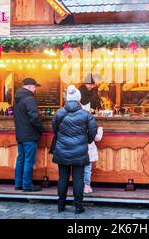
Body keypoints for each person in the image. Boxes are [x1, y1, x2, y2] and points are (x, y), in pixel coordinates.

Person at [52, 85, 98, 214]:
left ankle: (61, 205)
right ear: (78, 99)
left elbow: (54, 129)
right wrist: (88, 140)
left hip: (62, 150)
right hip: (79, 150)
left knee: (62, 178)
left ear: (67, 99)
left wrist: (61, 138)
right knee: (78, 179)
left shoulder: (59, 112)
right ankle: (78, 206)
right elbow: (93, 129)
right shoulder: (85, 114)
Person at [13, 78, 43, 192]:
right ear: (30, 86)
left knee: (21, 158)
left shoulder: (17, 97)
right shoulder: (29, 98)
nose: (35, 89)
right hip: (29, 134)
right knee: (29, 160)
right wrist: (40, 129)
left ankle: (18, 183)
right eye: (35, 87)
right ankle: (27, 185)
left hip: (20, 133)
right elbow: (34, 117)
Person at [84, 126, 104, 194]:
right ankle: (86, 186)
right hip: (88, 153)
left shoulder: (76, 125)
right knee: (87, 170)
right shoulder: (90, 127)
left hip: (77, 151)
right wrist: (100, 129)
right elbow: (98, 138)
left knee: (78, 170)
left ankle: (80, 186)